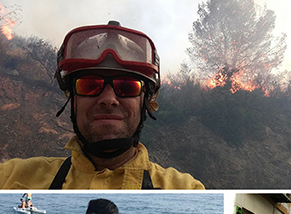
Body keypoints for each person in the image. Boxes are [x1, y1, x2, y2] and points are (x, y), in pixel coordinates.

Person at [0, 21, 203, 189]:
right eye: (89, 85)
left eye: (126, 86)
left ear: (146, 101)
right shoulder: (11, 178)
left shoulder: (187, 190)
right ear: (72, 99)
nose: (109, 99)